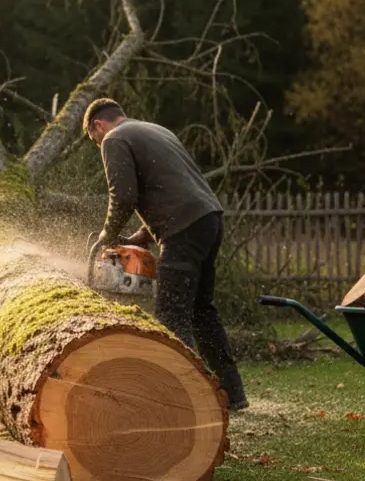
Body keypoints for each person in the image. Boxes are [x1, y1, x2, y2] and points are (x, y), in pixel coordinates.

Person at [84, 97, 248, 411]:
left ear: (98, 125)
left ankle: (183, 402)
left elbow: (124, 195)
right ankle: (234, 393)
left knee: (172, 316)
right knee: (202, 310)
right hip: (209, 219)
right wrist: (141, 236)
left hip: (184, 229)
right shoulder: (156, 130)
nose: (98, 144)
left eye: (95, 139)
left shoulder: (114, 139)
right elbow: (176, 186)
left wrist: (106, 235)